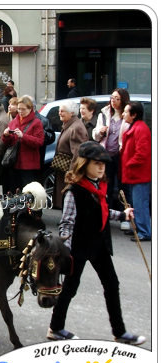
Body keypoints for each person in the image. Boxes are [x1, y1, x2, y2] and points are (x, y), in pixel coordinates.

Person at [47, 141, 145, 346]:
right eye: (96, 163)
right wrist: (66, 251)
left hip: (99, 245)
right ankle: (55, 328)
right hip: (80, 248)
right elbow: (67, 222)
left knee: (112, 284)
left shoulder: (99, 186)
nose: (102, 167)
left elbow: (102, 212)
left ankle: (119, 332)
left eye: (103, 164)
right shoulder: (74, 191)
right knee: (70, 288)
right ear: (84, 164)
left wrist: (123, 215)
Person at [92, 88, 130, 209]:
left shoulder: (126, 116)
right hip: (105, 154)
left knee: (122, 186)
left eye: (117, 99)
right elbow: (95, 135)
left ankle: (124, 213)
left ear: (123, 100)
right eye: (112, 98)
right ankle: (105, 210)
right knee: (105, 184)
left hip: (120, 155)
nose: (113, 101)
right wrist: (100, 131)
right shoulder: (104, 114)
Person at [120, 101, 151, 242]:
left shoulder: (141, 129)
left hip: (138, 174)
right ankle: (139, 229)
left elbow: (142, 153)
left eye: (126, 112)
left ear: (134, 115)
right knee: (135, 204)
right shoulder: (136, 127)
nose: (123, 114)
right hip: (134, 174)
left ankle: (144, 231)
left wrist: (128, 163)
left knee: (140, 204)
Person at [1, 96, 44, 193]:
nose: (20, 111)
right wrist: (6, 135)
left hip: (28, 165)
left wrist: (23, 136)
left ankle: (28, 208)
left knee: (28, 192)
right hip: (14, 162)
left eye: (23, 109)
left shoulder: (36, 123)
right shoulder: (14, 121)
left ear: (30, 109)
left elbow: (39, 142)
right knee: (15, 191)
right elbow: (7, 142)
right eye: (19, 108)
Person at [52, 100, 89, 209]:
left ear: (71, 113)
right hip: (64, 170)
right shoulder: (69, 125)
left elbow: (78, 154)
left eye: (62, 111)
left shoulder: (76, 127)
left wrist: (72, 173)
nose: (59, 113)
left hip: (69, 171)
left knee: (69, 197)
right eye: (59, 111)